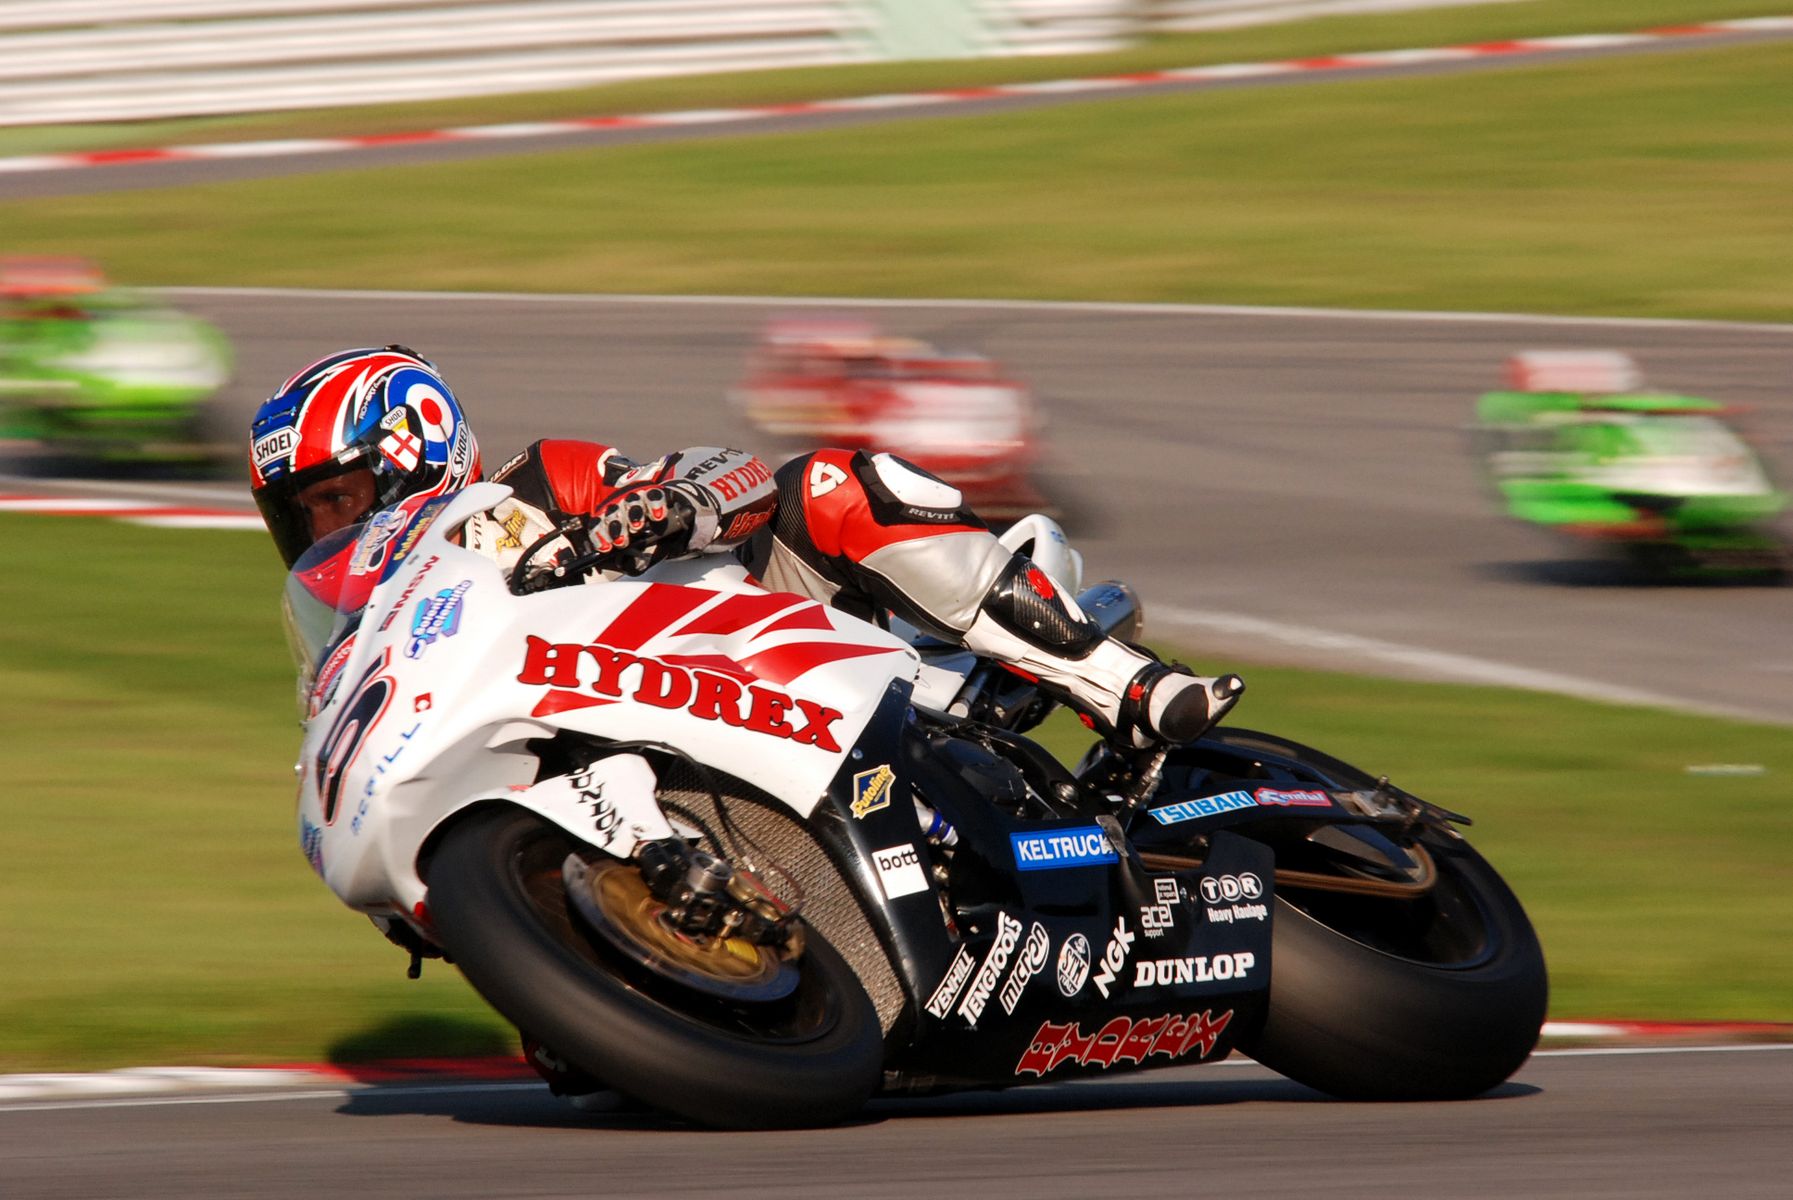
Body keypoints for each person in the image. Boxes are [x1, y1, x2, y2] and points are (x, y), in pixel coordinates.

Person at [250, 345, 1242, 750]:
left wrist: (652, 511)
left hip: (780, 652)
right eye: (304, 518)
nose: (328, 533)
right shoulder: (369, 625)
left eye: (339, 498)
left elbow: (735, 475)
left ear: (413, 450)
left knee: (823, 486)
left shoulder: (538, 482)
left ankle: (1125, 685)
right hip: (637, 736)